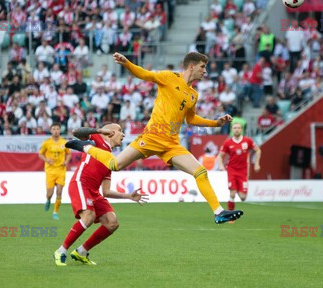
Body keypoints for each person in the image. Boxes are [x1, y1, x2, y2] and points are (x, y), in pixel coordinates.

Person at [67, 52, 243, 224]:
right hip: (151, 137)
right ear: (191, 66)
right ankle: (86, 147)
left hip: (171, 144)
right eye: (202, 67)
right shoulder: (169, 77)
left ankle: (218, 212)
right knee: (115, 165)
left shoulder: (193, 95)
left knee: (200, 172)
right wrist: (127, 63)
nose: (205, 71)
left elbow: (190, 119)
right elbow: (145, 74)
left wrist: (216, 123)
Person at [54, 124, 148, 266]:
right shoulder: (97, 139)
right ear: (111, 131)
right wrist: (100, 130)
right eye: (120, 131)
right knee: (89, 216)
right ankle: (61, 250)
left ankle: (81, 252)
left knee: (112, 222)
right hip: (81, 183)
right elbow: (75, 132)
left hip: (95, 192)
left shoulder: (110, 159)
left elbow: (106, 191)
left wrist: (129, 196)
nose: (123, 135)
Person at [216, 123, 261, 213]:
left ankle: (236, 187)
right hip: (232, 170)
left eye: (239, 128)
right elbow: (220, 156)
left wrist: (256, 163)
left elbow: (258, 150)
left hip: (243, 171)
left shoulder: (247, 141)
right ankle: (230, 214)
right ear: (232, 130)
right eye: (235, 128)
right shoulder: (227, 142)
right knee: (232, 193)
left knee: (243, 197)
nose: (237, 129)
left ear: (242, 129)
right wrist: (221, 165)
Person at [38, 122, 70, 220]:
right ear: (51, 130)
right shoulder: (46, 143)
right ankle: (48, 200)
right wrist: (47, 160)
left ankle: (55, 212)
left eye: (57, 129)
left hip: (61, 170)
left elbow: (68, 154)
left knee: (59, 192)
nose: (56, 131)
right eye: (54, 129)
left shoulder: (64, 142)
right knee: (50, 193)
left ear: (60, 130)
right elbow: (40, 154)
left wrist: (66, 161)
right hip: (50, 171)